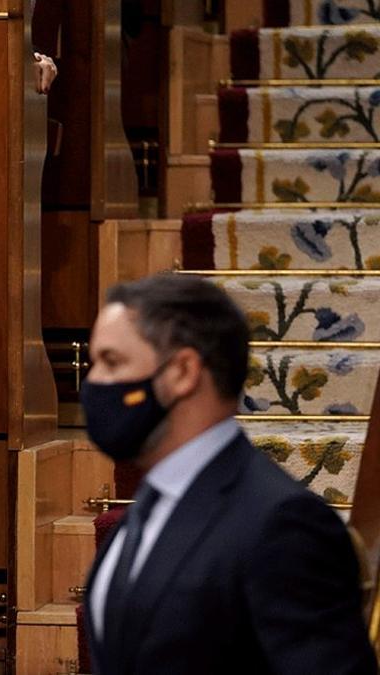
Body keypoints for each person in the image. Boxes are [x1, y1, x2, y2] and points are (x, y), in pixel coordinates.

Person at [80, 273, 376, 675]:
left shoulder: (282, 524)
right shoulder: (151, 505)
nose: (93, 382)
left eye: (112, 362)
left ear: (183, 371)